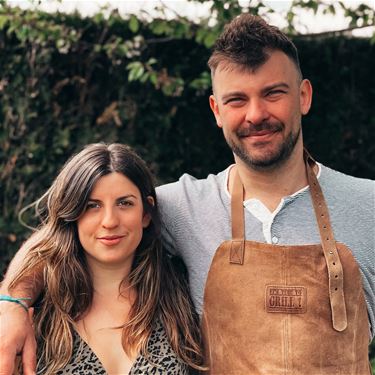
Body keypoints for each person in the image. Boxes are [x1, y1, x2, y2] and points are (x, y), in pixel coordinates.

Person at [1, 13, 374, 375]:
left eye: (273, 93)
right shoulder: (181, 206)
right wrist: (12, 303)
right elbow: (64, 237)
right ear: (216, 110)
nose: (256, 114)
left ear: (304, 96)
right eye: (236, 100)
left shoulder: (369, 206)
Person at [1, 143, 204, 374]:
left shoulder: (181, 299)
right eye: (92, 206)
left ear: (146, 213)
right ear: (72, 214)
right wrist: (12, 304)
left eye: (124, 203)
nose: (109, 221)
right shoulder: (35, 312)